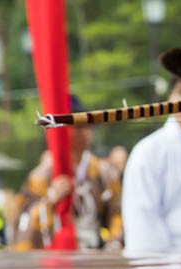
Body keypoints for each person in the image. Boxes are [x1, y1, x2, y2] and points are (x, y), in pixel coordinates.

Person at [12, 97, 123, 250]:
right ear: (63, 130)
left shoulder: (105, 171)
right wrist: (50, 200)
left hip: (96, 252)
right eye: (78, 127)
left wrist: (115, 243)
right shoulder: (42, 174)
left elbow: (118, 213)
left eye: (88, 126)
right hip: (56, 251)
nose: (85, 132)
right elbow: (21, 220)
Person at [122, 79, 181, 254]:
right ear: (169, 98)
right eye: (179, 92)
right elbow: (143, 224)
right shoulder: (148, 152)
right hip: (165, 265)